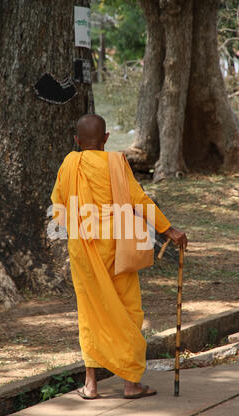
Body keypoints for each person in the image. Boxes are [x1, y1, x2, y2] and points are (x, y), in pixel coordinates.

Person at [51, 114, 188, 399]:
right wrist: (168, 229)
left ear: (76, 141)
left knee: (90, 313)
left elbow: (58, 206)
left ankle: (90, 385)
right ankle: (130, 383)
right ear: (106, 139)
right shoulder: (116, 163)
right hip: (117, 248)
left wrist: (77, 226)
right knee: (128, 311)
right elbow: (139, 200)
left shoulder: (69, 164)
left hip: (84, 250)